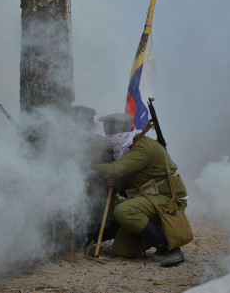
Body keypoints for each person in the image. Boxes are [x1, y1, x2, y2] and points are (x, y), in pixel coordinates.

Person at [90, 113, 189, 267]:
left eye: (111, 134)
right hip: (148, 199)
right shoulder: (124, 149)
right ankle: (152, 232)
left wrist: (84, 170)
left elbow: (117, 168)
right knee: (122, 250)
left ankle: (169, 249)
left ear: (121, 131)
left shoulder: (143, 147)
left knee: (123, 210)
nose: (108, 138)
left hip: (167, 199)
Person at [72, 105, 118, 246]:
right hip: (72, 193)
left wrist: (115, 180)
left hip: (97, 194)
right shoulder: (66, 144)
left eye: (82, 122)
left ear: (92, 124)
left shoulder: (105, 144)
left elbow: (116, 168)